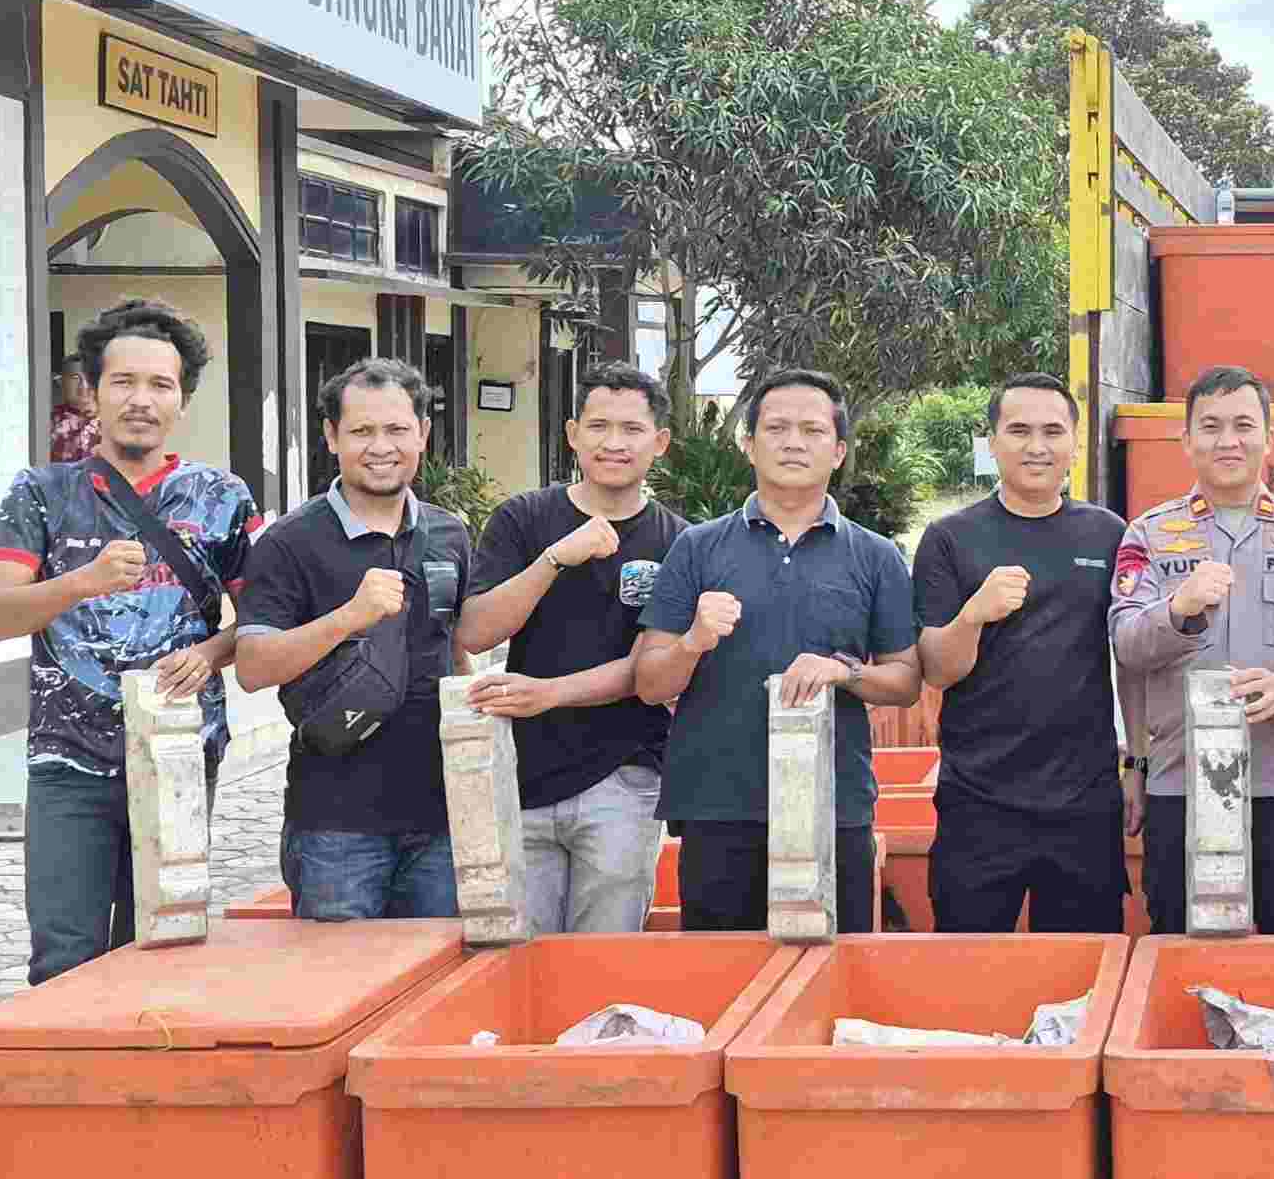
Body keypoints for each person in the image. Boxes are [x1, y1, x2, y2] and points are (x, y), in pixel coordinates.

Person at [0, 299, 261, 983]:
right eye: (123, 382)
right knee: (64, 956)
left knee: (162, 946)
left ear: (182, 400)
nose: (141, 400)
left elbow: (257, 623)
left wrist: (211, 652)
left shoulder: (221, 496)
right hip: (66, 760)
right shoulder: (40, 493)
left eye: (160, 385)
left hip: (178, 750)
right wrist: (82, 581)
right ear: (92, 393)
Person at [633, 369, 921, 932]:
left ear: (838, 451)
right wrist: (693, 640)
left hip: (833, 807)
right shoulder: (696, 548)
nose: (794, 442)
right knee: (720, 982)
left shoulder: (876, 556)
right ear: (748, 444)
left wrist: (843, 672)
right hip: (719, 808)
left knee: (835, 979)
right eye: (777, 428)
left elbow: (906, 682)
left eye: (813, 430)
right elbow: (649, 682)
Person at [1109, 365, 1274, 934]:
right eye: (1211, 426)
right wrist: (1179, 610)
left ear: (1271, 438)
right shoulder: (1148, 533)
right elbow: (1126, 642)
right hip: (1182, 783)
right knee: (1182, 946)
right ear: (1186, 439)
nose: (1228, 441)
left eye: (1244, 425)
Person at [235, 358, 475, 920]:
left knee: (436, 990)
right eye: (361, 431)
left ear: (423, 433)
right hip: (336, 827)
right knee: (339, 988)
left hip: (441, 820)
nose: (381, 446)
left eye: (396, 430)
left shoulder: (448, 532)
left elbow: (456, 645)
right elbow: (252, 666)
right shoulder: (290, 541)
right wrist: (348, 617)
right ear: (331, 437)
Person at [452, 361, 687, 935]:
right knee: (520, 957)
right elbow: (475, 632)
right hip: (522, 773)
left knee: (604, 958)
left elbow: (649, 669)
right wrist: (555, 558)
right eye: (599, 426)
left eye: (632, 430)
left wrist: (548, 694)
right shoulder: (523, 519)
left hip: (624, 776)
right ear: (572, 433)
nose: (614, 443)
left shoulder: (680, 540)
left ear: (659, 442)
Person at [911, 374, 1133, 933]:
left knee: (1083, 977)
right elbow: (937, 669)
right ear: (992, 442)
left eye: (1053, 431)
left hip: (1085, 803)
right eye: (1019, 431)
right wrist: (974, 614)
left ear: (1075, 444)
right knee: (968, 970)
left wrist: (1142, 763)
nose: (1037, 446)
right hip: (978, 802)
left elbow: (1134, 657)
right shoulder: (950, 538)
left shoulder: (1110, 535)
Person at [48, 361, 99, 465]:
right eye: (75, 378)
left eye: (90, 378)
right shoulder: (48, 422)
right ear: (60, 381)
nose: (84, 386)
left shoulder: (113, 419)